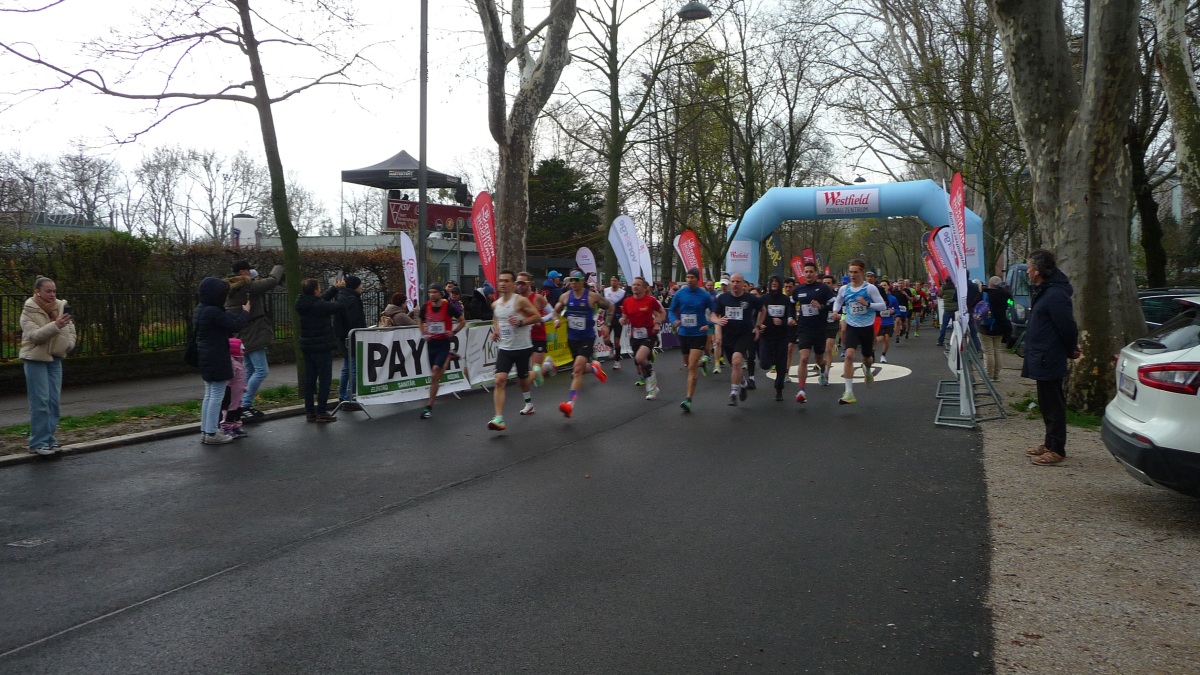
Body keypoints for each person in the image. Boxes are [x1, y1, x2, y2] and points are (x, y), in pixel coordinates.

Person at [1021, 250, 1081, 466]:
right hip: (1042, 356)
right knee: (1046, 404)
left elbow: (1067, 326)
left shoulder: (1055, 294)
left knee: (1054, 405)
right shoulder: (1045, 291)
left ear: (1037, 271)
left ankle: (1057, 448)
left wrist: (1071, 349)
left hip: (1049, 356)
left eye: (1029, 268)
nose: (1027, 272)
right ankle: (1049, 443)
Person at [20, 276, 76, 456]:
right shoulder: (29, 310)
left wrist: (68, 344)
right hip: (35, 359)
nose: (52, 294)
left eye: (54, 291)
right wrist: (55, 325)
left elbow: (71, 329)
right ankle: (38, 443)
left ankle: (50, 440)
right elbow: (35, 336)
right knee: (40, 402)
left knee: (53, 402)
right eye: (48, 291)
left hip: (55, 358)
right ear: (38, 292)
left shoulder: (60, 307)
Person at [225, 259, 284, 422]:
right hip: (253, 334)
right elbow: (272, 281)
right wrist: (279, 265)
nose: (251, 273)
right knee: (261, 370)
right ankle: (245, 404)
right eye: (248, 270)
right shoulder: (246, 286)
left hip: (243, 334)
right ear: (242, 272)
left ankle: (240, 404)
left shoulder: (231, 285)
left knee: (249, 371)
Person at [194, 276, 249, 445]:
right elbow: (235, 326)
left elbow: (226, 317)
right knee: (217, 396)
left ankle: (205, 431)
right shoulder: (214, 312)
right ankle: (212, 433)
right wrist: (246, 312)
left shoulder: (201, 309)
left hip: (205, 356)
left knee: (209, 395)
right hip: (217, 356)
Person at [553, 270, 614, 418]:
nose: (573, 283)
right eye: (571, 280)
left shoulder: (592, 296)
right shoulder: (565, 296)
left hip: (587, 338)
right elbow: (555, 311)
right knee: (580, 368)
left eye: (576, 280)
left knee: (577, 370)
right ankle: (593, 368)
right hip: (572, 338)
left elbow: (610, 307)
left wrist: (606, 325)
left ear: (582, 281)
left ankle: (570, 405)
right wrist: (556, 320)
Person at [487, 270, 542, 430]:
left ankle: (537, 371)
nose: (503, 283)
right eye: (501, 281)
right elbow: (496, 317)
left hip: (522, 347)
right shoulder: (495, 304)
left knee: (523, 382)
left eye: (506, 281)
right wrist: (496, 330)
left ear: (512, 284)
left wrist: (521, 322)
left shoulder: (520, 301)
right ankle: (499, 418)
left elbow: (537, 316)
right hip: (505, 348)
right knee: (499, 380)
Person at [832, 260, 886, 405]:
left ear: (862, 272)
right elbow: (838, 301)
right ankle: (849, 392)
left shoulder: (870, 289)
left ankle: (867, 369)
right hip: (852, 326)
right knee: (849, 355)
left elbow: (882, 306)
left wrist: (867, 304)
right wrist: (835, 311)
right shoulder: (844, 289)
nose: (852, 275)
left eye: (855, 272)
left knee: (867, 358)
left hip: (867, 328)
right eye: (850, 272)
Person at [713, 273, 765, 406]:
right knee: (734, 365)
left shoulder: (750, 298)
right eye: (733, 281)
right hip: (728, 336)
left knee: (737, 361)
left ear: (743, 284)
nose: (735, 284)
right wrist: (718, 321)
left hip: (744, 335)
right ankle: (743, 383)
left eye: (738, 282)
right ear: (730, 283)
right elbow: (713, 315)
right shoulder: (723, 298)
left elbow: (763, 310)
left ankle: (733, 393)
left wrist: (758, 326)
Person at [295, 278, 343, 423]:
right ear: (315, 290)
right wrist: (342, 291)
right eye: (319, 288)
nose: (321, 290)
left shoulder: (302, 303)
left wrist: (334, 288)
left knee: (310, 380)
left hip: (307, 346)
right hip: (321, 347)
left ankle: (310, 411)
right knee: (324, 380)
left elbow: (321, 300)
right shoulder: (319, 306)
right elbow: (338, 306)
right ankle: (321, 411)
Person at [669, 268, 717, 411]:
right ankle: (703, 363)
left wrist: (708, 325)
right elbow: (671, 310)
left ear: (698, 279)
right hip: (684, 333)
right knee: (688, 364)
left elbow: (716, 312)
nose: (689, 280)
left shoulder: (704, 295)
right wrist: (674, 321)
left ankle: (688, 399)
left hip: (698, 334)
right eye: (688, 277)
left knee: (691, 367)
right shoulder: (680, 294)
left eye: (692, 277)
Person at [417, 282, 466, 419]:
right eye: (430, 292)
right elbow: (420, 321)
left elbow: (462, 321)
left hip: (443, 343)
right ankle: (448, 358)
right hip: (431, 344)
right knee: (436, 376)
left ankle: (428, 407)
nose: (432, 295)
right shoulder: (425, 307)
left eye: (435, 292)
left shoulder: (448, 307)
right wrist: (424, 334)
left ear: (441, 294)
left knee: (434, 374)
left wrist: (454, 332)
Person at [791, 263, 835, 403]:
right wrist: (791, 317)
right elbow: (790, 304)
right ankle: (801, 390)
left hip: (819, 328)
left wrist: (821, 306)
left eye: (811, 271)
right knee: (804, 357)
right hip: (804, 328)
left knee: (819, 359)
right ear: (803, 273)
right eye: (806, 272)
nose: (808, 274)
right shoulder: (798, 289)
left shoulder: (823, 288)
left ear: (815, 273)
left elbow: (834, 305)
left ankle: (823, 369)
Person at [620, 277, 667, 400]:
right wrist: (623, 320)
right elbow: (625, 316)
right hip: (635, 335)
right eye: (633, 284)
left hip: (649, 334)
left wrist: (657, 322)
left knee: (640, 358)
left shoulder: (650, 300)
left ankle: (651, 388)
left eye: (638, 284)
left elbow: (662, 313)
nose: (635, 287)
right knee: (641, 363)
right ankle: (652, 386)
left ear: (644, 288)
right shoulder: (627, 302)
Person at [324, 274, 368, 403]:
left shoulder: (340, 296)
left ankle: (343, 394)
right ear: (355, 286)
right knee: (354, 368)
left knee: (346, 367)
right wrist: (362, 331)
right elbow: (354, 320)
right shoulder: (352, 299)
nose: (362, 287)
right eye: (360, 285)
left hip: (342, 336)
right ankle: (349, 396)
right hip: (352, 337)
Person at [757, 275, 794, 402]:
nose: (774, 283)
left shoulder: (786, 300)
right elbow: (755, 315)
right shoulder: (763, 299)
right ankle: (771, 359)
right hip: (766, 336)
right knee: (764, 364)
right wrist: (759, 325)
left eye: (776, 281)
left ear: (780, 284)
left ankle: (779, 389)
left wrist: (782, 322)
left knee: (781, 365)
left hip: (781, 337)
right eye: (772, 281)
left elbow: (791, 318)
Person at [516, 270, 556, 386]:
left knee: (535, 371)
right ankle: (547, 366)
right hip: (524, 338)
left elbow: (552, 312)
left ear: (529, 284)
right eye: (518, 283)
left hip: (538, 337)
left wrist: (541, 319)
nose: (520, 286)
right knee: (533, 375)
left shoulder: (537, 298)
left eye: (523, 283)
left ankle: (547, 366)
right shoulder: (516, 300)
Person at [979, 276, 1014, 381]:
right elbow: (1011, 304)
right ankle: (996, 374)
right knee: (997, 351)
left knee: (988, 351)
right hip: (1000, 326)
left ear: (990, 284)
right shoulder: (1006, 295)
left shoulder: (985, 294)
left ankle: (989, 375)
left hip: (986, 326)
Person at [219, 338, 249, 438]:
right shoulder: (232, 363)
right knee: (230, 409)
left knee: (238, 408)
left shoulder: (239, 362)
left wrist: (243, 386)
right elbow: (230, 377)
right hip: (231, 391)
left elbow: (241, 377)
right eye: (241, 349)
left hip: (238, 391)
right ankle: (226, 427)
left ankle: (236, 425)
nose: (243, 351)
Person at [603, 275, 628, 370]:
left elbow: (624, 305)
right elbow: (602, 302)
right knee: (606, 340)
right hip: (608, 317)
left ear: (618, 282)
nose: (613, 282)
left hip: (617, 318)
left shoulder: (622, 293)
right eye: (611, 280)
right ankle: (611, 346)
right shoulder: (606, 290)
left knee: (617, 341)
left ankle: (617, 362)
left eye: (615, 280)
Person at [875, 279, 900, 363]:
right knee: (880, 338)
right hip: (879, 321)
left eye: (884, 285)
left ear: (888, 287)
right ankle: (871, 350)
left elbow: (897, 309)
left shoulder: (893, 298)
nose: (883, 287)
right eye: (881, 286)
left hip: (889, 321)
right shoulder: (877, 298)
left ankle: (883, 355)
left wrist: (893, 311)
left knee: (886, 338)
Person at [936, 278, 958, 347]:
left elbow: (940, 295)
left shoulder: (943, 288)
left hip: (947, 309)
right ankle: (956, 341)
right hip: (955, 309)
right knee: (956, 326)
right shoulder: (955, 287)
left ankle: (941, 341)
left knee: (944, 326)